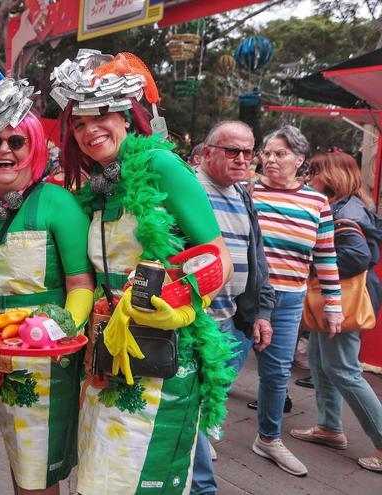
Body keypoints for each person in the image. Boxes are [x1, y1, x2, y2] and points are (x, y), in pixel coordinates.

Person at [53, 50, 234, 495]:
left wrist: (179, 306)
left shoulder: (161, 167)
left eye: (102, 115)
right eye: (78, 123)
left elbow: (218, 256)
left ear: (128, 116)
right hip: (105, 358)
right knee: (99, 481)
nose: (90, 130)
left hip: (159, 357)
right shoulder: (98, 186)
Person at [0, 77, 94, 494]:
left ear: (34, 148)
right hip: (1, 358)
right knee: (21, 460)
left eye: (16, 141)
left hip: (49, 360)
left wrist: (60, 329)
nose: (4, 149)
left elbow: (81, 283)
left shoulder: (57, 202)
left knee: (38, 470)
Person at [249, 125, 343, 477]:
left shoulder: (317, 202)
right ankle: (206, 434)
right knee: (223, 368)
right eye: (267, 153)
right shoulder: (248, 192)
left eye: (280, 154)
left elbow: (326, 257)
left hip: (289, 300)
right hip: (247, 295)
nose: (270, 159)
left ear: (300, 160)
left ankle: (268, 439)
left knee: (275, 376)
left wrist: (333, 305)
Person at [191, 120, 275, 495]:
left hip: (230, 322)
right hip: (194, 323)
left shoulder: (242, 193)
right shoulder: (189, 187)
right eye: (232, 151)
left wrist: (261, 311)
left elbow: (256, 254)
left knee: (208, 405)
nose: (242, 159)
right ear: (207, 153)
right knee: (192, 411)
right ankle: (202, 487)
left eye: (247, 151)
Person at [288, 151, 382, 474]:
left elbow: (357, 257)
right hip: (335, 300)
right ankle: (329, 427)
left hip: (340, 302)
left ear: (331, 177)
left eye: (314, 172)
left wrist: (314, 268)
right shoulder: (349, 204)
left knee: (343, 369)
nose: (309, 178)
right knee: (320, 362)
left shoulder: (346, 210)